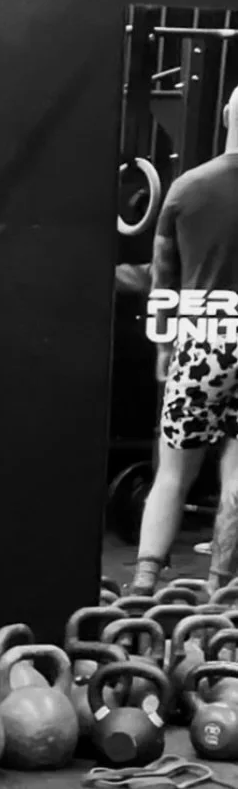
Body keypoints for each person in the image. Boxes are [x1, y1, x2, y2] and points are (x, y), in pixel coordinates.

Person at [128, 87, 238, 598]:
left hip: (201, 341)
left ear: (224, 115)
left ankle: (145, 584)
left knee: (172, 473)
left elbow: (163, 281)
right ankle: (219, 595)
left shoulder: (187, 187)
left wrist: (163, 352)